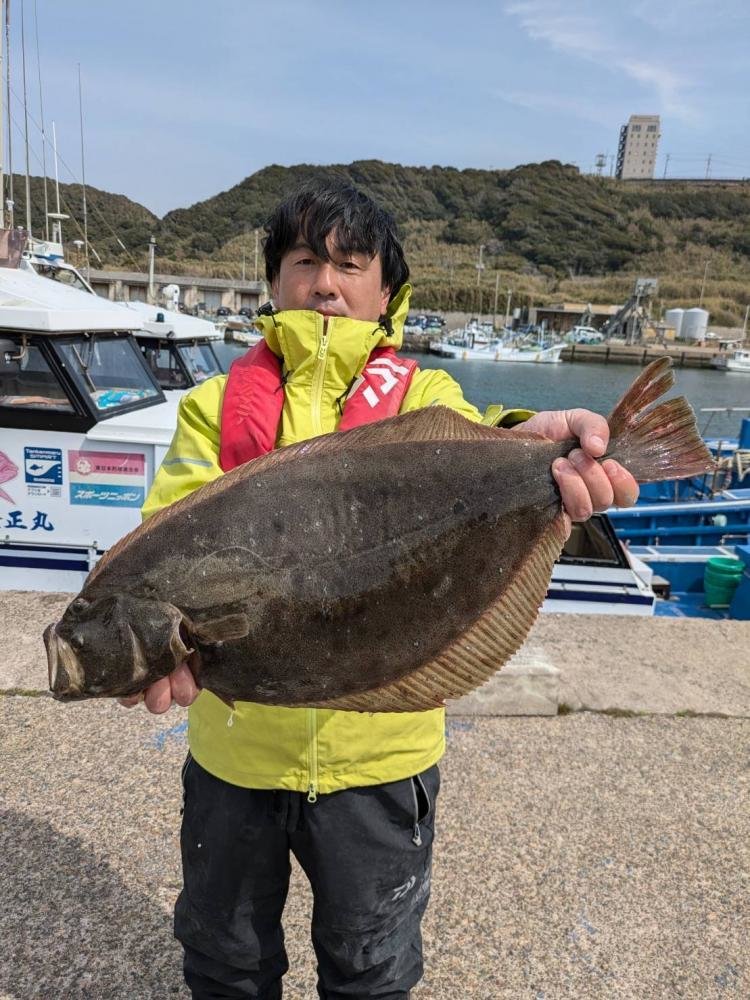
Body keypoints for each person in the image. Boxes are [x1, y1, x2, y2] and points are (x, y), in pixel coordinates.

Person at [121, 180, 638, 999]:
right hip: (236, 754)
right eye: (304, 262)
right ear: (273, 282)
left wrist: (536, 452)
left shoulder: (420, 396)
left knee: (371, 967)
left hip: (383, 760)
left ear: (388, 290)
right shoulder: (214, 407)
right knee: (225, 958)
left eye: (350, 264)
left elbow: (473, 436)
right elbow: (166, 540)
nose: (325, 283)